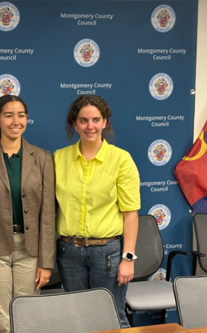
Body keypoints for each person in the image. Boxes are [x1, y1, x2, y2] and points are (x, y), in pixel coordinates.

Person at [0, 95, 56, 333]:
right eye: (8, 115)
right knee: (0, 324)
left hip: (30, 251)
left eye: (21, 115)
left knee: (27, 320)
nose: (15, 121)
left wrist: (46, 262)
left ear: (27, 119)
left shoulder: (42, 158)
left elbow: (48, 215)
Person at [53, 95, 140, 328]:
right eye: (83, 120)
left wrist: (128, 258)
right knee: (79, 319)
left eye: (95, 120)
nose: (89, 126)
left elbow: (130, 213)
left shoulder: (121, 160)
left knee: (112, 317)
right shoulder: (59, 159)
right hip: (69, 252)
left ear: (105, 122)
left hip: (108, 254)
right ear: (74, 124)